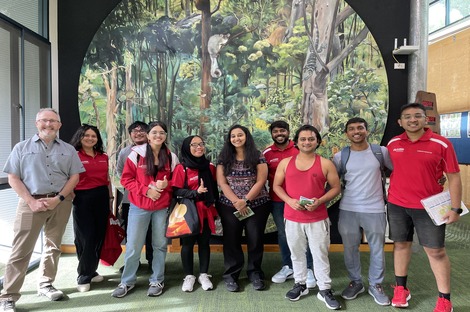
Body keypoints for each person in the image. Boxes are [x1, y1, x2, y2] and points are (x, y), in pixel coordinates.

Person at [0, 108, 85, 312]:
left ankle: (46, 283)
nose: (49, 124)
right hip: (31, 203)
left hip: (60, 203)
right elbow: (13, 177)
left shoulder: (68, 149)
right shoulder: (21, 147)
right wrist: (30, 201)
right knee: (21, 251)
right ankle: (8, 296)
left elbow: (74, 177)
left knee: (53, 245)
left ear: (59, 125)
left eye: (53, 121)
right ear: (37, 123)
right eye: (44, 120)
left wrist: (59, 198)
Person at [386, 103, 462, 312]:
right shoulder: (393, 144)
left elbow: (454, 177)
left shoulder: (441, 144)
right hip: (397, 205)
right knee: (401, 245)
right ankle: (401, 288)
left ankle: (445, 299)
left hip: (430, 208)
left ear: (425, 119)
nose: (412, 120)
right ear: (400, 122)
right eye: (407, 116)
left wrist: (456, 208)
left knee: (436, 251)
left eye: (417, 116)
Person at [273, 125, 341, 309]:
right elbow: (277, 186)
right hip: (292, 217)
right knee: (296, 253)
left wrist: (319, 201)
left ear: (317, 141)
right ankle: (300, 284)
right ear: (296, 142)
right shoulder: (286, 163)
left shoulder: (326, 163)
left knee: (320, 254)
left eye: (311, 139)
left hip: (318, 218)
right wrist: (289, 200)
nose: (307, 142)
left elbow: (336, 187)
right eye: (303, 139)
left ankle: (324, 289)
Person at [111, 121, 179, 298]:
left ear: (165, 136)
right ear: (148, 136)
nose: (158, 135)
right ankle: (127, 282)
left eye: (162, 133)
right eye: (154, 132)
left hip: (161, 207)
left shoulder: (171, 156)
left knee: (160, 245)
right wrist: (147, 191)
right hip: (139, 206)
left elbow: (178, 182)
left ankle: (157, 279)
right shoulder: (136, 154)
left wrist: (167, 184)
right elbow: (126, 180)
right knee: (133, 245)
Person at [332, 117, 392, 306]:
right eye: (351, 129)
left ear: (367, 131)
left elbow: (397, 171)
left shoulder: (380, 152)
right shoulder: (341, 156)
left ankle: (376, 284)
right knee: (350, 248)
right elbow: (333, 181)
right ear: (346, 133)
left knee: (377, 248)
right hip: (348, 208)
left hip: (375, 208)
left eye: (360, 128)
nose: (356, 131)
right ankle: (356, 281)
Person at [216, 124, 271, 292]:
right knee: (231, 241)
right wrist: (236, 202)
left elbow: (261, 180)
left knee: (255, 239)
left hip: (257, 205)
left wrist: (245, 200)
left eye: (240, 135)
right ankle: (231, 275)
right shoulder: (224, 157)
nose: (236, 138)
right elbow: (222, 182)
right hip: (229, 206)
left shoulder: (257, 156)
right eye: (233, 136)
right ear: (229, 139)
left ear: (246, 136)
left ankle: (255, 273)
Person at [263, 120, 316, 288]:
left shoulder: (298, 149)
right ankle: (289, 267)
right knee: (284, 234)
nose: (279, 134)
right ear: (272, 134)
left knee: (304, 234)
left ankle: (308, 269)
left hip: (301, 201)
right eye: (276, 131)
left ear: (288, 132)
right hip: (278, 201)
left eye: (282, 131)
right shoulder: (266, 153)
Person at [172, 135, 219, 292]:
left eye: (201, 144)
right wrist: (195, 192)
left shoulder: (210, 167)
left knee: (205, 243)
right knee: (187, 244)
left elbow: (214, 188)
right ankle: (189, 276)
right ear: (187, 148)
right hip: (189, 212)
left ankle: (204, 274)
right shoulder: (182, 167)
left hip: (206, 211)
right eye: (194, 145)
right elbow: (176, 190)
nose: (199, 147)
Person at [69, 124, 113, 292]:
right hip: (82, 198)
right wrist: (74, 196)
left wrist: (110, 198)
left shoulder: (103, 156)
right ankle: (83, 275)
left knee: (98, 236)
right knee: (85, 237)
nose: (90, 138)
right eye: (86, 135)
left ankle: (92, 271)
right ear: (80, 137)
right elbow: (68, 177)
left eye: (93, 136)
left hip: (102, 196)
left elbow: (107, 178)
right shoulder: (74, 155)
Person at [116, 121, 153, 270]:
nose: (138, 133)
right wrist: (135, 187)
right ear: (130, 134)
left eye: (142, 130)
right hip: (129, 199)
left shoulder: (155, 150)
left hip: (152, 199)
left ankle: (152, 262)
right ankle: (132, 264)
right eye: (134, 131)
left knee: (152, 233)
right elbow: (120, 172)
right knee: (131, 234)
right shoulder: (125, 152)